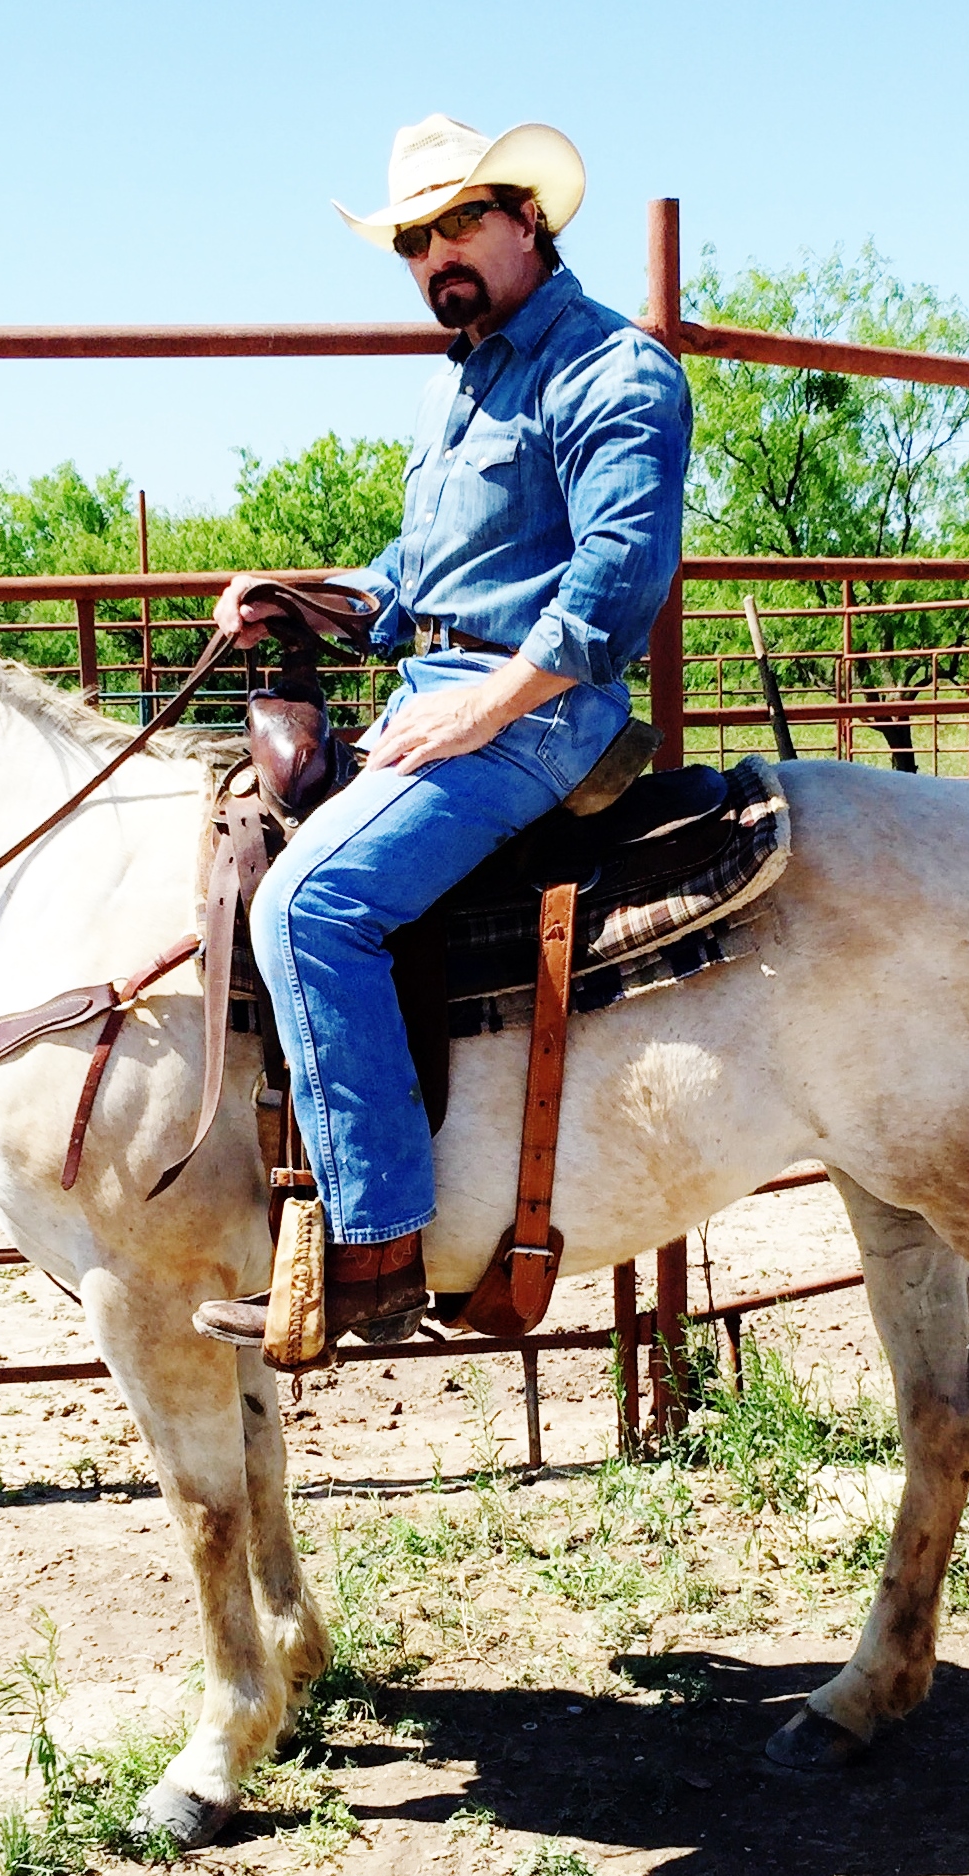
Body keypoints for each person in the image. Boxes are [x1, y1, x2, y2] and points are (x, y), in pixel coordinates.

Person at [193, 115, 692, 1349]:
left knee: (308, 907)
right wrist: (302, 594)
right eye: (414, 239)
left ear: (529, 219)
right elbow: (411, 582)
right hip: (441, 697)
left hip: (537, 716)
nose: (434, 258)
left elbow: (618, 580)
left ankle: (375, 1248)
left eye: (459, 223)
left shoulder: (611, 371)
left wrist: (486, 701)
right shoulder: (453, 387)